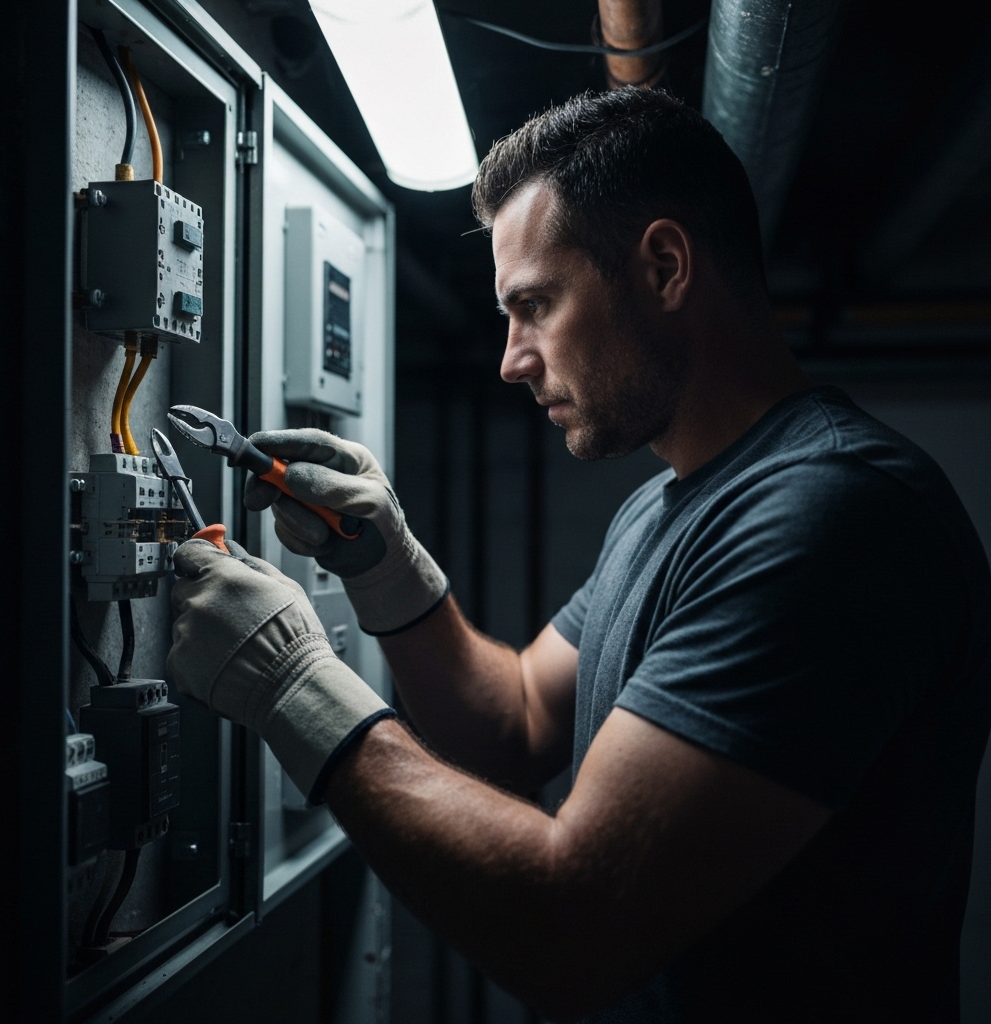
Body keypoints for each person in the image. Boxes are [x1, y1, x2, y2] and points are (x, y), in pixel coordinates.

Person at [167, 88, 991, 1023]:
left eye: (535, 305)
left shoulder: (829, 516)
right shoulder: (666, 508)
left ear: (666, 267)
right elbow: (514, 725)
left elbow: (573, 924)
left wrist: (292, 688)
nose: (512, 358)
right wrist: (389, 571)